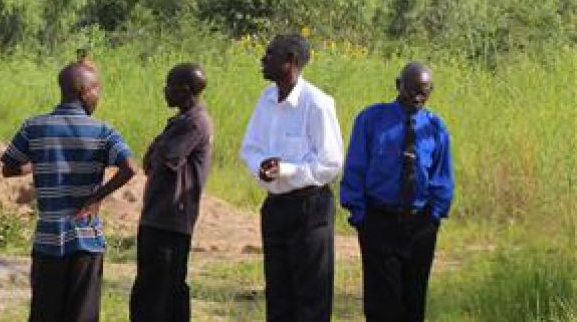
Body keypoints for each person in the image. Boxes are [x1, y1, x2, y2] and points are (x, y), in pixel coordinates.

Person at [1, 58, 137, 322]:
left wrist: (38, 163)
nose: (98, 96)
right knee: (82, 315)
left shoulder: (34, 127)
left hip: (48, 239)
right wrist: (97, 197)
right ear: (83, 92)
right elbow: (130, 167)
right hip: (86, 239)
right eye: (96, 90)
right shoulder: (103, 131)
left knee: (44, 313)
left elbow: (8, 167)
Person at [239, 33, 345, 322]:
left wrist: (287, 170)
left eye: (270, 54)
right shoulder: (266, 99)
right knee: (278, 291)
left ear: (290, 62)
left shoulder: (317, 103)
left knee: (310, 295)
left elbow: (331, 161)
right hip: (276, 206)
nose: (263, 59)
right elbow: (250, 147)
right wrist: (261, 165)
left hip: (310, 207)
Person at [341, 62, 454, 322]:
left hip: (420, 223)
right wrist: (360, 216)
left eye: (424, 91)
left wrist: (434, 216)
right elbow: (356, 168)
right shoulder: (371, 120)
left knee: (413, 302)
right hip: (379, 220)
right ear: (398, 85)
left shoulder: (436, 128)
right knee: (382, 304)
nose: (417, 96)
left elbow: (442, 175)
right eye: (411, 89)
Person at [125, 63, 213, 322]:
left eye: (170, 85)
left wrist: (155, 147)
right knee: (155, 287)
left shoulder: (194, 123)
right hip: (160, 216)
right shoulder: (182, 121)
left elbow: (162, 158)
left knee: (159, 291)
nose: (165, 90)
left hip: (170, 219)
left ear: (185, 90)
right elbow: (149, 162)